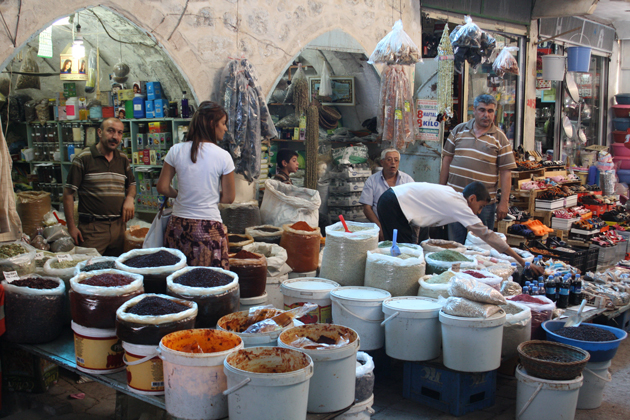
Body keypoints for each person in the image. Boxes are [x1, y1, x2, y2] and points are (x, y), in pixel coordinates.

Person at [377, 181, 541, 274]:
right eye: (481, 206)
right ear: (472, 198)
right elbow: (487, 235)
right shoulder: (461, 206)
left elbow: (419, 215)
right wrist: (522, 262)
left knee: (409, 250)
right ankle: (398, 288)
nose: (479, 212)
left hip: (393, 200)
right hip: (393, 203)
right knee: (404, 255)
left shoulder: (453, 195)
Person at [157, 101, 235, 268]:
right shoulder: (223, 156)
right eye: (223, 123)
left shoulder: (175, 150)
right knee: (208, 283)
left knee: (178, 279)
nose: (225, 128)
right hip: (208, 229)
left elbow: (162, 187)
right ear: (212, 124)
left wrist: (180, 194)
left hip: (178, 226)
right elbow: (229, 198)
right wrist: (209, 194)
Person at [440, 94, 516, 245]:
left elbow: (506, 172)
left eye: (490, 111)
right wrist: (441, 191)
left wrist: (504, 203)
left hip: (484, 205)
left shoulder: (500, 138)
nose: (486, 115)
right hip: (456, 198)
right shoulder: (458, 131)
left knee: (481, 246)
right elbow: (446, 160)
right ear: (473, 110)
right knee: (455, 244)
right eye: (482, 110)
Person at [63, 118, 136, 256]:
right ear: (99, 132)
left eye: (120, 133)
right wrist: (71, 227)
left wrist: (130, 198)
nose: (115, 137)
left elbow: (131, 184)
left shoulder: (122, 158)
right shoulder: (83, 159)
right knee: (88, 272)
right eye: (111, 131)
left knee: (117, 272)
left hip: (118, 227)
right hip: (93, 230)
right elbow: (68, 194)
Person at [359, 148, 414, 240]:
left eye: (396, 160)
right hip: (380, 224)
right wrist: (380, 229)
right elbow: (367, 208)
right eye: (389, 159)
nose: (393, 163)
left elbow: (414, 205)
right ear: (382, 162)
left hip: (403, 226)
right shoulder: (372, 181)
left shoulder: (408, 180)